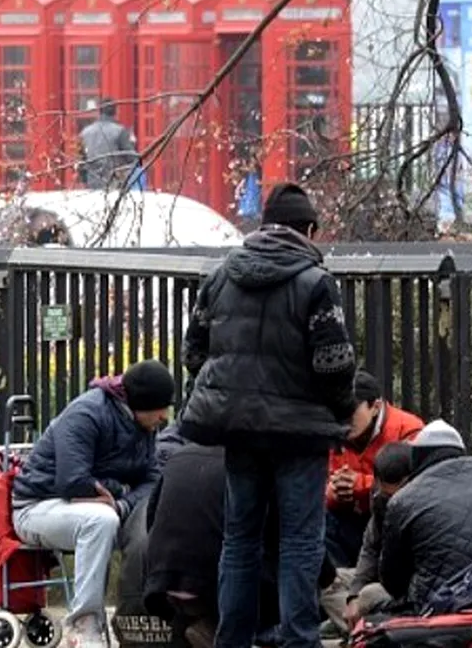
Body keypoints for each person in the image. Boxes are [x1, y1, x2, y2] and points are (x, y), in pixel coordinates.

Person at [179, 181, 358, 648]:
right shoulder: (316, 282)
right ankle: (300, 639)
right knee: (300, 541)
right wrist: (339, 412)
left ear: (263, 228)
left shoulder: (221, 277)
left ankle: (232, 639)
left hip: (239, 431)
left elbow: (193, 353)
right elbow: (334, 363)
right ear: (310, 229)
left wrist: (232, 396)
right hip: (300, 435)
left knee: (240, 538)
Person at [11, 360, 174, 648]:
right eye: (161, 407)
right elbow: (73, 482)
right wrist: (121, 489)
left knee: (121, 516)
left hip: (98, 507)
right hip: (36, 507)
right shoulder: (86, 413)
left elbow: (152, 481)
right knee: (100, 520)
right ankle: (83, 627)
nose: (164, 416)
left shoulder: (144, 427)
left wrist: (122, 503)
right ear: (141, 404)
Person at [143, 434, 338, 648]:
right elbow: (295, 537)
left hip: (163, 582)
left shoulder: (180, 456)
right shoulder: (258, 466)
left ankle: (206, 627)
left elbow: (151, 520)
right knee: (290, 585)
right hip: (219, 583)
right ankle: (256, 635)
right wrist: (327, 579)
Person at [376, 420, 472, 613]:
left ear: (417, 458)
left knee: (369, 597)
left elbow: (392, 581)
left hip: (436, 610)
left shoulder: (404, 499)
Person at [326, 371, 425, 568]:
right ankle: (339, 582)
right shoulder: (334, 433)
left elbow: (417, 487)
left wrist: (361, 485)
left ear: (376, 406)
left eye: (351, 411)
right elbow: (322, 482)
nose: (345, 419)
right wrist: (333, 492)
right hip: (351, 522)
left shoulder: (408, 429)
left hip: (391, 524)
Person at [333, 441, 414, 630]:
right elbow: (370, 548)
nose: (393, 500)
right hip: (383, 578)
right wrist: (353, 596)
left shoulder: (419, 503)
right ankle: (358, 628)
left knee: (369, 594)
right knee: (331, 579)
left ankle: (366, 629)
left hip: (407, 587)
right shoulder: (379, 499)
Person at [79, 99, 139, 188]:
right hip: (113, 181)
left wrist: (84, 179)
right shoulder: (119, 131)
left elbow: (81, 160)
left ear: (99, 111)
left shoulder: (85, 132)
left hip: (91, 181)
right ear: (115, 112)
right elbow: (132, 158)